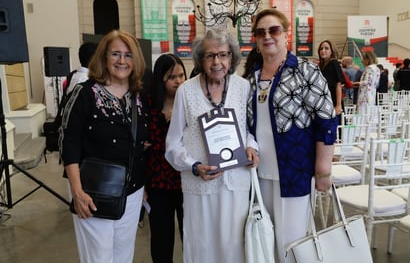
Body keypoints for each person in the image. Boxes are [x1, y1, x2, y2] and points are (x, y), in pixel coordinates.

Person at [246, 8, 337, 263]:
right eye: (261, 32)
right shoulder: (251, 78)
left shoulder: (305, 71)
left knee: (292, 245)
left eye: (273, 30)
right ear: (255, 38)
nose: (267, 36)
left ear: (285, 34)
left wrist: (323, 168)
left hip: (294, 173)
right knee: (265, 241)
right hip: (259, 175)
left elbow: (327, 120)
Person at [165, 29, 260, 263]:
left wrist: (252, 148)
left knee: (234, 246)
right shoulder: (186, 91)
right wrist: (194, 166)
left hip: (235, 183)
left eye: (223, 55)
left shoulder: (243, 87)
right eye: (209, 55)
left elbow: (250, 131)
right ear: (200, 59)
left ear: (232, 57)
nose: (217, 62)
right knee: (201, 246)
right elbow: (172, 144)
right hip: (199, 185)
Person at [60, 30, 149, 263]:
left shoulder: (138, 95)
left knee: (123, 255)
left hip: (132, 190)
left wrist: (142, 188)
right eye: (116, 54)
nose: (122, 61)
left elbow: (140, 145)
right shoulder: (85, 93)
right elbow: (69, 144)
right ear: (103, 57)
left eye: (128, 55)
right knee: (99, 257)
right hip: (93, 192)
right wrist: (77, 192)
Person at [146, 53, 186, 263]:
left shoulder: (189, 103)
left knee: (190, 237)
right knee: (162, 239)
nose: (178, 81)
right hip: (158, 183)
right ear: (161, 79)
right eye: (172, 77)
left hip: (186, 181)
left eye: (181, 75)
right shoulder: (148, 104)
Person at [318, 39, 344, 122]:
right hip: (324, 101)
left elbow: (338, 85)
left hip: (333, 100)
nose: (323, 51)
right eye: (321, 49)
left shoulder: (334, 63)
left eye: (326, 48)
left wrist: (338, 105)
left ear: (331, 51)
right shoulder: (321, 66)